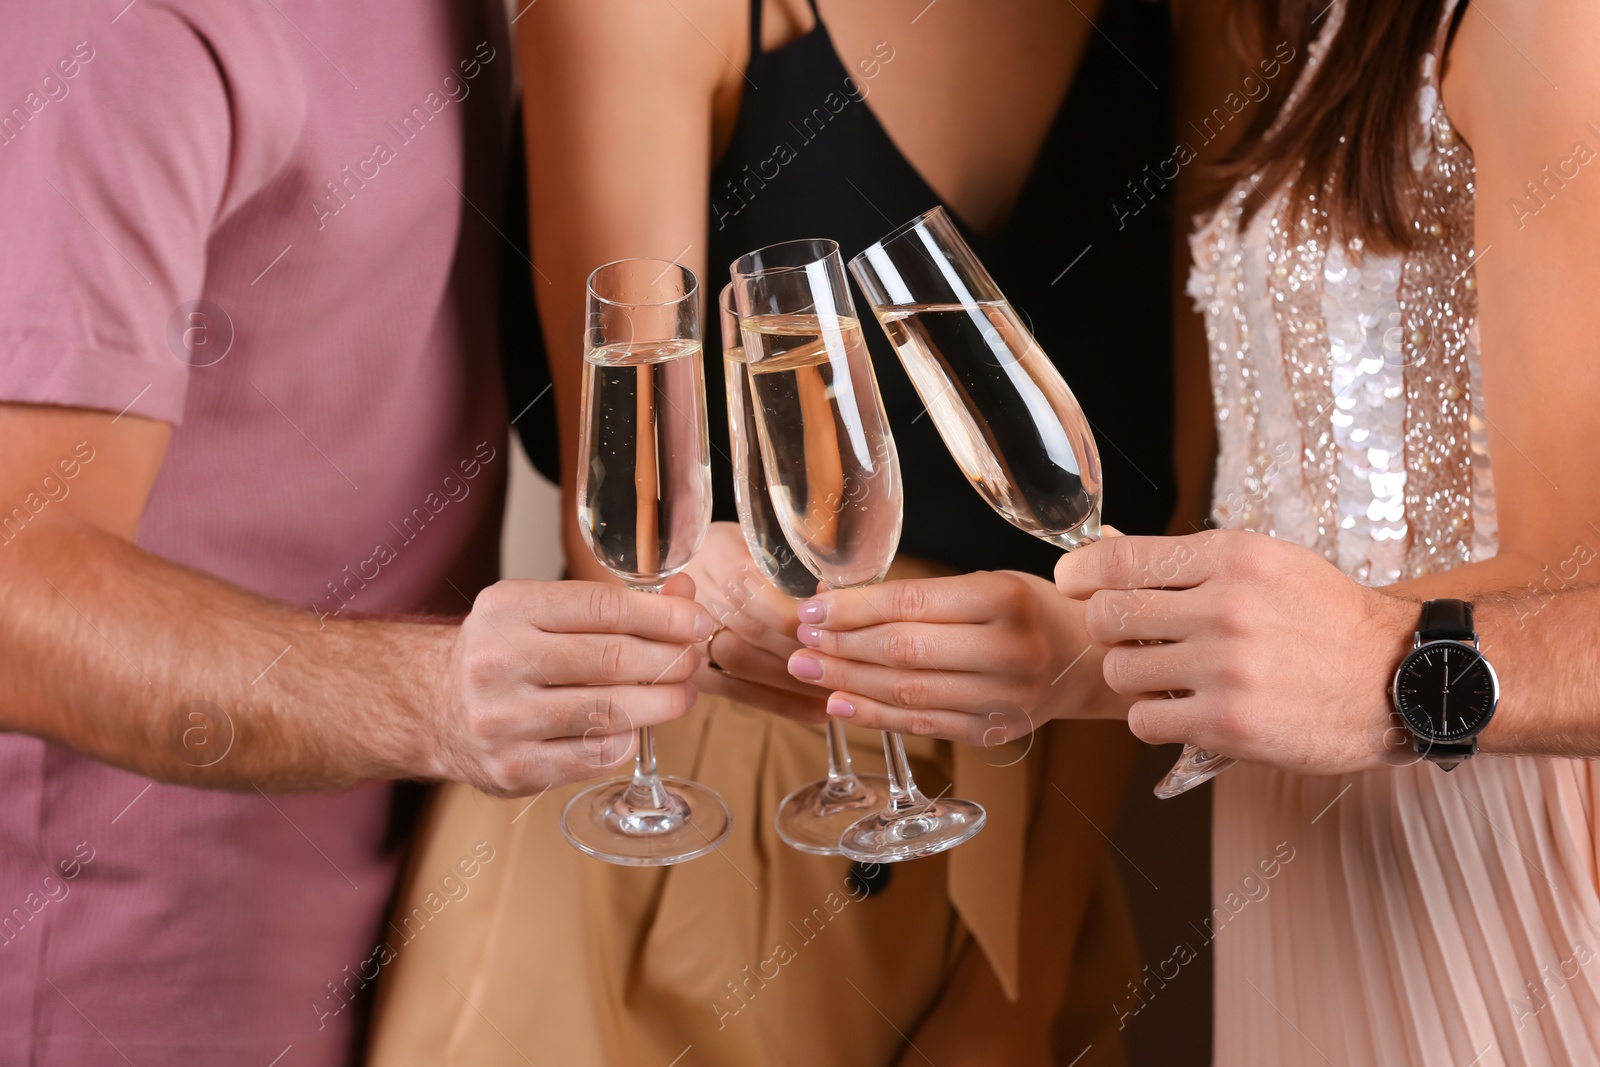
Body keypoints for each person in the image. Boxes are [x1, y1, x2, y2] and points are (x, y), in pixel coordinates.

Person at [365, 0, 1182, 1064]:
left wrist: (1016, 982)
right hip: (698, 856)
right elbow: (636, 546)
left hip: (1033, 841)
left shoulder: (1202, 25)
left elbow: (1147, 561)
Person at [797, 0, 1600, 1061]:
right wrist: (1080, 648)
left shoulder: (1530, 20)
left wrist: (1379, 666)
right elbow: (1228, 524)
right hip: (1280, 826)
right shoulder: (1260, 30)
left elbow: (1576, 578)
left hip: (1478, 823)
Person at [0, 3, 710, 1064]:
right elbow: (16, 582)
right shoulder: (116, 29)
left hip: (380, 896)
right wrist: (428, 696)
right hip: (123, 961)